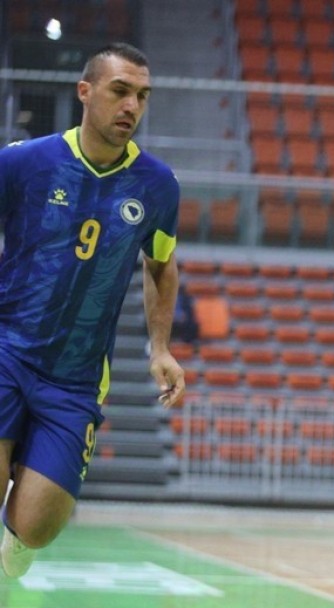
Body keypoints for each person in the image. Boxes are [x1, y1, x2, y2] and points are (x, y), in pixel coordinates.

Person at [0, 42, 185, 579]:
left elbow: (160, 266)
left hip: (77, 378)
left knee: (35, 525)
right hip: (8, 349)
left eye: (142, 96)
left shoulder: (157, 185)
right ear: (86, 92)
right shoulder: (23, 162)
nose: (131, 106)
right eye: (120, 91)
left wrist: (161, 349)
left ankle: (14, 558)